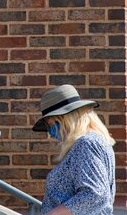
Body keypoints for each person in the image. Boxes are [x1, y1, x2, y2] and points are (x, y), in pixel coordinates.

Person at [33, 84, 115, 215]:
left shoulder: (86, 144)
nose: (50, 132)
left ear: (65, 119)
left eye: (50, 124)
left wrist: (53, 214)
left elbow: (95, 195)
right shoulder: (94, 141)